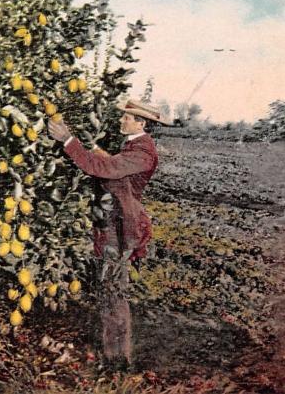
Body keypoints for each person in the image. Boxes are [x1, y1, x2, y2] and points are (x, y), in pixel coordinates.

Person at [47, 99, 171, 369]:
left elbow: (106, 169)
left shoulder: (143, 152)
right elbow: (115, 169)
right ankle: (112, 354)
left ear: (142, 124)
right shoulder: (132, 147)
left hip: (122, 229)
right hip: (112, 226)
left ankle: (117, 360)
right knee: (109, 290)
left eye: (127, 118)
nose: (121, 121)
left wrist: (69, 140)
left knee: (114, 291)